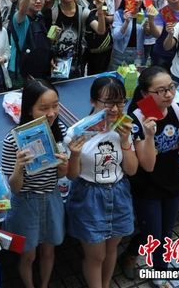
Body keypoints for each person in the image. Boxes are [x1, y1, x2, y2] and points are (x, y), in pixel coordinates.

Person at [121, 66, 179, 287]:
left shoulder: (176, 110)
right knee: (154, 235)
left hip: (172, 182)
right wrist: (148, 135)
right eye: (161, 90)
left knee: (164, 233)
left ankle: (133, 254)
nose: (169, 94)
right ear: (146, 93)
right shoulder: (136, 118)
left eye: (171, 88)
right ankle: (158, 273)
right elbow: (147, 164)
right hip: (147, 187)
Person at [66, 76, 138, 288]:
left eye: (120, 102)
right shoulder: (77, 132)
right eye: (108, 102)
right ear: (93, 101)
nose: (114, 109)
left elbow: (131, 170)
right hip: (89, 196)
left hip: (118, 192)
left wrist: (125, 141)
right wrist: (75, 154)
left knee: (111, 249)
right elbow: (71, 176)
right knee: (96, 256)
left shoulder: (123, 129)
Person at [0, 79, 69, 288]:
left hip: (52, 197)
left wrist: (65, 163)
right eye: (44, 108)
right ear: (29, 109)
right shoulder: (13, 140)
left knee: (49, 250)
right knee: (28, 255)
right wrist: (19, 166)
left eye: (55, 105)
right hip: (26, 203)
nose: (51, 113)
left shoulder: (61, 131)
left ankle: (44, 285)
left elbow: (61, 175)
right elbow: (15, 188)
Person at [52, 0, 105, 79]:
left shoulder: (83, 12)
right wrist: (53, 36)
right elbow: (48, 40)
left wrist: (100, 9)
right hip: (55, 65)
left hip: (76, 65)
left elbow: (100, 30)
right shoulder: (52, 13)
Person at [77, 0, 115, 74]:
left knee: (100, 74)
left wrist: (102, 13)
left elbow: (111, 17)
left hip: (103, 43)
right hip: (84, 43)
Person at [111, 0, 148, 68]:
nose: (137, 0)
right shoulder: (119, 14)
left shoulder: (146, 14)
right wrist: (126, 22)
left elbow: (150, 37)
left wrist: (148, 28)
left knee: (135, 78)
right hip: (120, 54)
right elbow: (116, 36)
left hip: (138, 53)